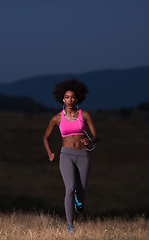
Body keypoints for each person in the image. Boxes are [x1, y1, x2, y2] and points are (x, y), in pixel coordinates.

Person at [42, 79, 99, 233]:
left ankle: (79, 201)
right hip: (66, 155)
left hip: (83, 155)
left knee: (81, 189)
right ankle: (70, 226)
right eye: (67, 97)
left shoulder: (84, 115)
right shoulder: (57, 118)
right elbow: (45, 138)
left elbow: (96, 136)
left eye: (73, 97)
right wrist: (49, 153)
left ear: (77, 99)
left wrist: (90, 140)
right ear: (63, 99)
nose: (70, 100)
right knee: (70, 188)